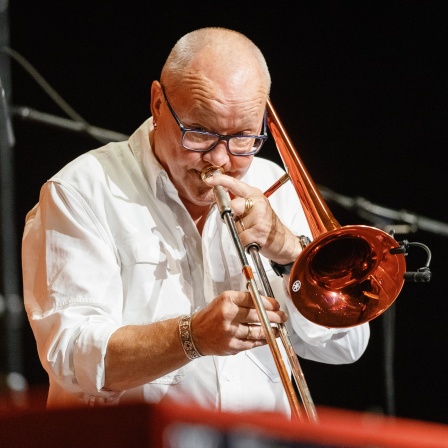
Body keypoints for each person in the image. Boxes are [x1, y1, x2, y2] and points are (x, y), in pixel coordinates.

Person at [22, 27, 369, 416]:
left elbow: (347, 344)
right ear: (157, 104)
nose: (220, 159)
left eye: (242, 138)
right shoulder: (82, 191)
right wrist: (192, 337)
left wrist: (289, 250)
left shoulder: (272, 185)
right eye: (200, 132)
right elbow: (71, 357)